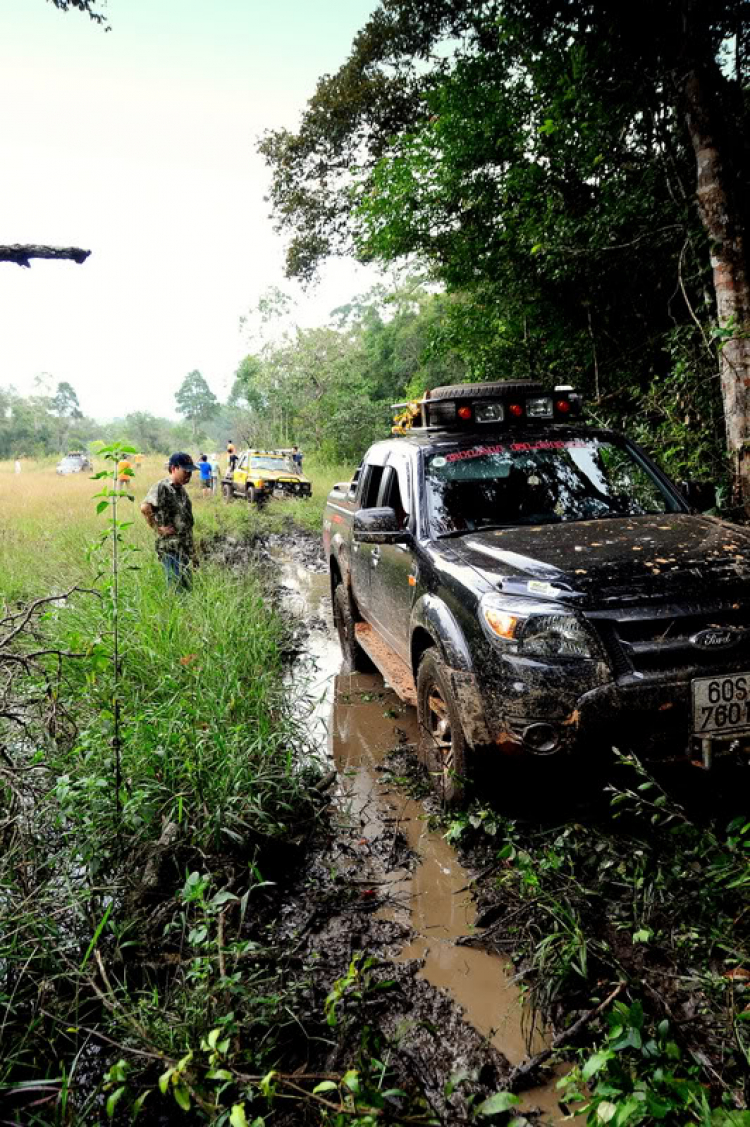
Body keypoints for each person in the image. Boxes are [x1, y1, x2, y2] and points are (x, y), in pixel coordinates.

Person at [140, 452, 199, 589]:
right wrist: (158, 529)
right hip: (171, 548)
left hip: (184, 548)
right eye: (186, 471)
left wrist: (193, 554)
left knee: (188, 587)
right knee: (176, 588)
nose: (189, 475)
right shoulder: (162, 487)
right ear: (174, 468)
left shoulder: (181, 490)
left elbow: (186, 524)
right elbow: (144, 507)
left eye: (191, 472)